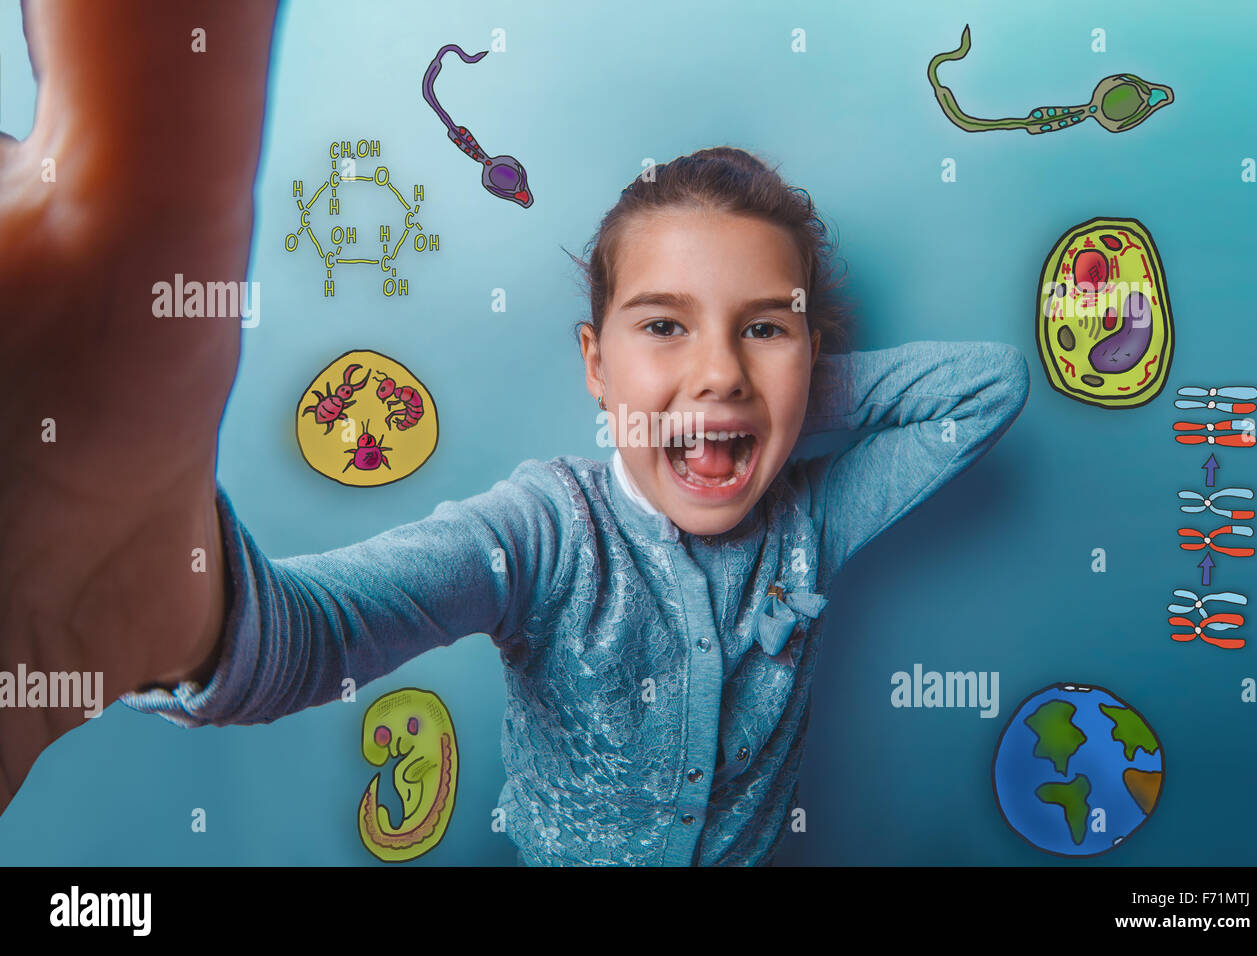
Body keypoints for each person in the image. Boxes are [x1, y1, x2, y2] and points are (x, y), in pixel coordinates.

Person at [0, 2, 1030, 865]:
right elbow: (332, 628)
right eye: (664, 325)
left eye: (763, 325)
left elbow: (986, 389)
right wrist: (175, 608)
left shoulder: (812, 522)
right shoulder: (547, 529)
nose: (718, 366)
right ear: (594, 362)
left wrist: (779, 394)